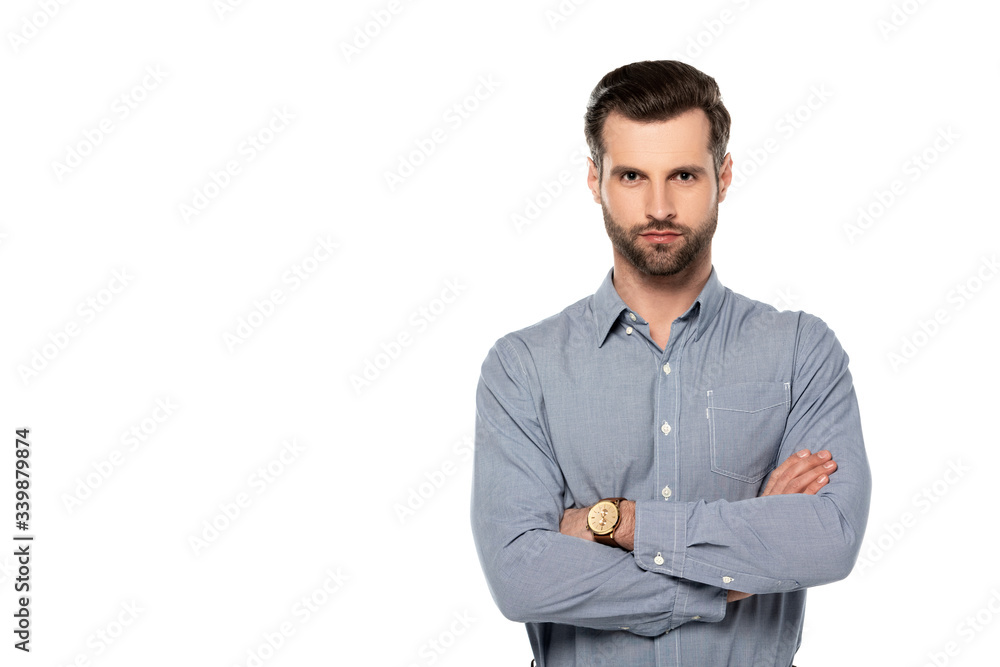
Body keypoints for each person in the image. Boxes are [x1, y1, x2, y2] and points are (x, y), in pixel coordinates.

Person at [470, 60, 871, 666]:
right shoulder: (522, 368)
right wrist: (735, 572)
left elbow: (827, 540)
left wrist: (614, 523)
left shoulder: (801, 352)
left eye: (683, 175)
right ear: (594, 180)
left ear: (723, 176)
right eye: (632, 175)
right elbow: (521, 577)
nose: (658, 206)